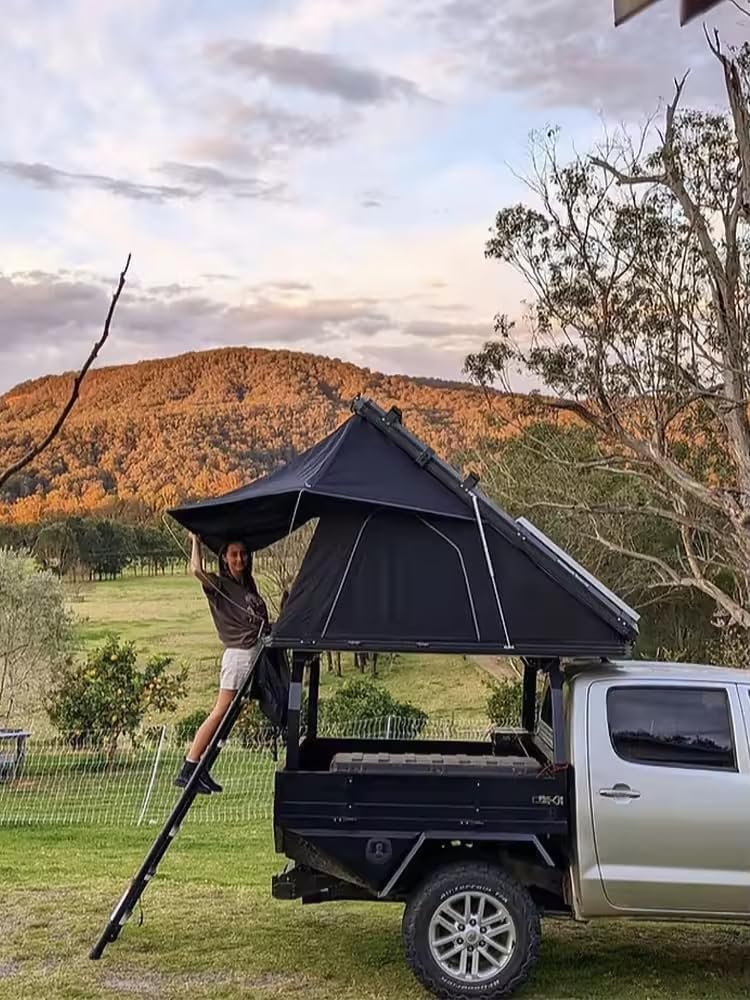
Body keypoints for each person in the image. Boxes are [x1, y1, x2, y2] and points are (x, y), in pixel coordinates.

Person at [174, 532, 269, 794]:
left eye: (243, 554)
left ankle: (201, 769)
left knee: (228, 714)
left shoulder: (247, 586)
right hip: (238, 656)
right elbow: (196, 570)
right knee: (220, 711)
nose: (240, 559)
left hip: (252, 655)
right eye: (234, 555)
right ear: (225, 559)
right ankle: (189, 766)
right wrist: (195, 541)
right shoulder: (220, 586)